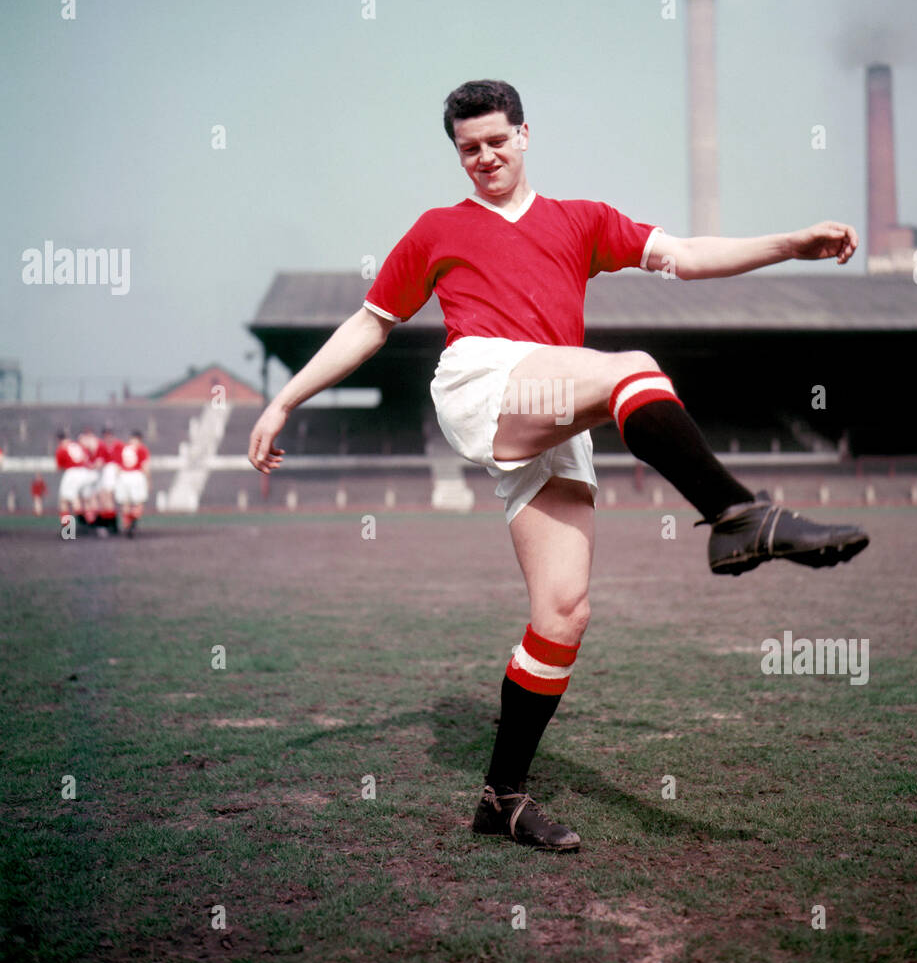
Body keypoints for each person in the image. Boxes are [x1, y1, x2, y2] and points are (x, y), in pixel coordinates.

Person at [248, 80, 868, 852]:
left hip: (554, 404)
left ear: (525, 134)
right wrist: (284, 403)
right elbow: (368, 326)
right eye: (468, 148)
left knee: (563, 613)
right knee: (630, 368)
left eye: (496, 141)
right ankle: (739, 516)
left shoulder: (582, 221)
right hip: (485, 378)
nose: (484, 157)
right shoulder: (438, 230)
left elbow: (684, 255)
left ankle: (500, 799)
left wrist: (790, 244)